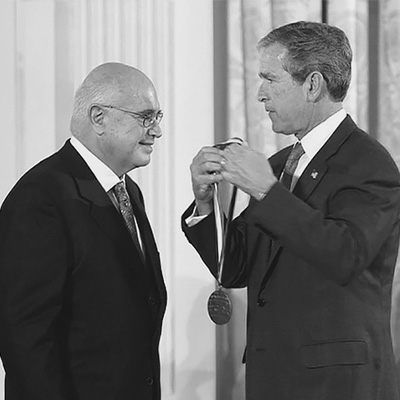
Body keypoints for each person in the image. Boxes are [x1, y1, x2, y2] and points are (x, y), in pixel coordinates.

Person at [182, 21, 400, 400]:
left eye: (270, 78)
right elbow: (236, 267)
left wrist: (265, 190)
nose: (260, 94)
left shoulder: (370, 163)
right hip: (275, 378)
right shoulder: (282, 162)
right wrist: (205, 203)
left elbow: (346, 254)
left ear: (312, 85)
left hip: (336, 385)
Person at [0, 62, 167, 400]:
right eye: (145, 117)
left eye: (158, 118)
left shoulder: (129, 192)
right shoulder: (41, 197)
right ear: (98, 118)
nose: (156, 131)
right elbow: (25, 336)